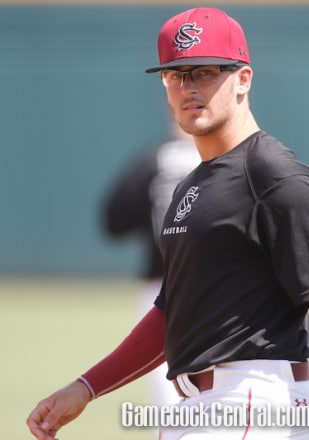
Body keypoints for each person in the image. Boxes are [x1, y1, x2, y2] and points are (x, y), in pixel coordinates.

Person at [27, 7, 309, 440]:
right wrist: (86, 388)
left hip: (253, 402)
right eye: (175, 75)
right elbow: (171, 313)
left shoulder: (274, 176)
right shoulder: (192, 187)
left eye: (204, 72)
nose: (187, 87)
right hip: (202, 407)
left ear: (243, 79)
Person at [101, 117, 200, 407]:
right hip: (221, 286)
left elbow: (114, 221)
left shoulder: (153, 160)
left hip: (160, 283)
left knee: (167, 390)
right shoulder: (230, 160)